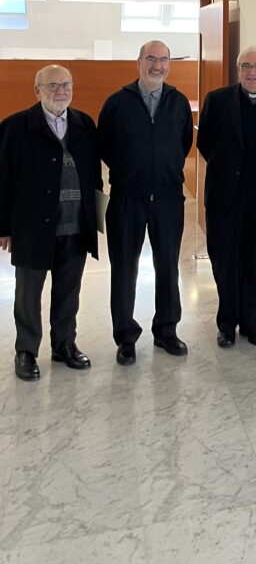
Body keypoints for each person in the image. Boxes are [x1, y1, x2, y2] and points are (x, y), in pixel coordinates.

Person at [0, 65, 101, 381]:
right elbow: (2, 180)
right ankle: (26, 351)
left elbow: (94, 176)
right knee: (28, 295)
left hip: (76, 226)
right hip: (32, 228)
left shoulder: (85, 124)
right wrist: (3, 227)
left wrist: (95, 219)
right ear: (37, 90)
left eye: (66, 85)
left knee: (69, 292)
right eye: (53, 86)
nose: (61, 92)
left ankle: (64, 345)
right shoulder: (14, 127)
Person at [98, 40, 192, 365]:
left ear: (169, 64)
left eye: (163, 60)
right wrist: (131, 172)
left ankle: (166, 330)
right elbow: (104, 146)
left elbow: (184, 144)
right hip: (127, 198)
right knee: (124, 269)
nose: (157, 65)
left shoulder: (178, 102)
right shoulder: (117, 102)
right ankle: (125, 337)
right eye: (151, 58)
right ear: (138, 62)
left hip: (168, 198)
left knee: (167, 267)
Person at [196, 46, 256, 348]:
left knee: (253, 260)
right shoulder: (216, 100)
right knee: (224, 260)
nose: (253, 72)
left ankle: (251, 324)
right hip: (223, 196)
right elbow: (205, 143)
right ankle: (227, 324)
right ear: (238, 69)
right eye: (246, 66)